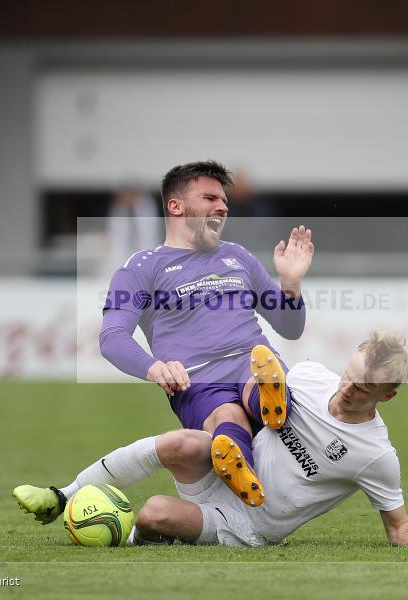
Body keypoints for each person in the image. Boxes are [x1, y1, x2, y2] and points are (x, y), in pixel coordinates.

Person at [13, 331, 408, 551]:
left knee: (152, 513)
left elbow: (399, 528)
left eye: (362, 389)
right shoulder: (309, 376)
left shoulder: (376, 455)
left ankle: (119, 535)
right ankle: (65, 494)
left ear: (387, 396)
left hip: (249, 524)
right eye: (350, 375)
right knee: (179, 442)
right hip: (227, 471)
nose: (347, 389)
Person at [98, 160, 313, 507]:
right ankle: (244, 471)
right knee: (227, 416)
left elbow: (290, 326)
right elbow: (112, 337)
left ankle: (270, 405)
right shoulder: (141, 267)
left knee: (256, 378)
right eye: (210, 198)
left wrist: (291, 285)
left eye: (224, 200)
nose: (223, 206)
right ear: (176, 206)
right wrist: (156, 368)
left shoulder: (238, 257)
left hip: (251, 363)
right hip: (195, 379)